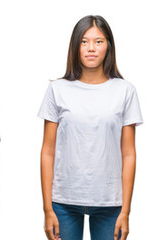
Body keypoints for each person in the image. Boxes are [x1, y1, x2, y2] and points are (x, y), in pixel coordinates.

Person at [39, 15, 141, 240]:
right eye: (84, 41)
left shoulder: (125, 91)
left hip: (110, 202)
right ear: (75, 47)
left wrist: (126, 211)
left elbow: (129, 153)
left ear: (108, 46)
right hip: (64, 201)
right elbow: (47, 151)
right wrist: (48, 209)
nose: (91, 48)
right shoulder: (57, 89)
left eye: (99, 41)